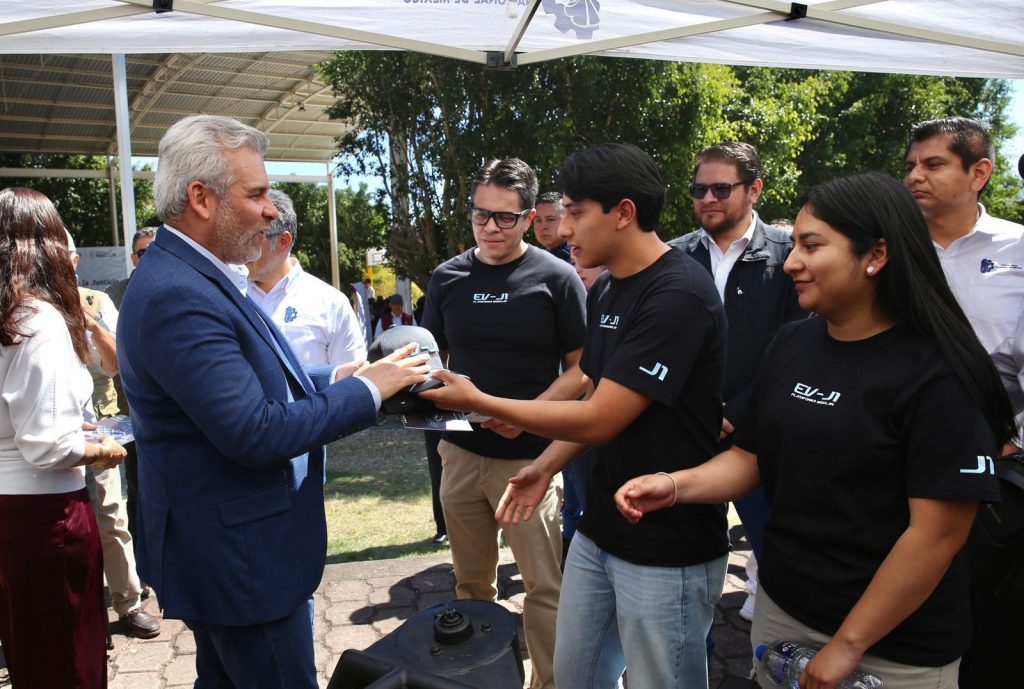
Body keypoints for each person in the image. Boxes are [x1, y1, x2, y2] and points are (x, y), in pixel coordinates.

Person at [614, 172, 1016, 689]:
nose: (790, 262)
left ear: (876, 255)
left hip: (890, 648)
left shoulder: (941, 375)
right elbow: (749, 458)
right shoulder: (792, 344)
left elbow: (937, 534)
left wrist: (848, 645)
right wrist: (673, 485)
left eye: (811, 245)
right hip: (783, 614)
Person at [116, 114, 429, 689]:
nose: (270, 211)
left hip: (231, 554)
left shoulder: (195, 275)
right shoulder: (178, 293)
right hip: (241, 563)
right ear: (201, 198)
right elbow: (254, 430)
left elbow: (240, 385)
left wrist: (336, 374)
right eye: (256, 193)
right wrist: (369, 390)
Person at [421, 143, 729, 689]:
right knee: (574, 675)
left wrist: (481, 402)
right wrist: (543, 467)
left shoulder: (677, 294)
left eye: (575, 212)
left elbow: (602, 419)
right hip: (602, 527)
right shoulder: (607, 286)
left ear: (624, 213)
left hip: (667, 542)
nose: (562, 229)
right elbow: (590, 391)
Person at [420, 157, 588, 689]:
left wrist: (523, 414)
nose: (490, 227)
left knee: (544, 588)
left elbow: (583, 369)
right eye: (481, 214)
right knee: (470, 587)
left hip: (530, 461)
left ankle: (550, 683)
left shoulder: (557, 277)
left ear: (529, 217)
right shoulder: (447, 277)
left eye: (505, 217)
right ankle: (481, 679)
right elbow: (429, 362)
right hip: (460, 455)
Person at [904, 116, 1024, 687]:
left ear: (979, 173)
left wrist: (1014, 447)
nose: (915, 176)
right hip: (899, 456)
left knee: (985, 616)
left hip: (995, 470)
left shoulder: (1018, 249)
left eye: (933, 164)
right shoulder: (891, 249)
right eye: (910, 165)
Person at [668, 142, 805, 619]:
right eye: (699, 189)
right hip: (687, 435)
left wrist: (738, 413)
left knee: (782, 566)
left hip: (764, 443)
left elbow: (797, 348)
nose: (708, 198)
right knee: (681, 570)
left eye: (721, 188)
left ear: (755, 189)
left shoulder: (791, 256)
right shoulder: (674, 257)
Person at [0, 186, 127, 689]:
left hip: (11, 513)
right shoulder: (39, 320)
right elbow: (47, 445)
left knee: (31, 653)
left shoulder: (10, 316)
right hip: (47, 517)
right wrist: (101, 449)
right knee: (68, 660)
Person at [71, 232, 161, 640]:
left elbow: (115, 363)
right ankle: (84, 615)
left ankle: (129, 604)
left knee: (111, 516)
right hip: (49, 435)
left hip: (102, 428)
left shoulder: (96, 300)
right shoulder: (23, 306)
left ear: (74, 260)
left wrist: (88, 323)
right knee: (69, 528)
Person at [247, 189, 367, 366]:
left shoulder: (332, 304)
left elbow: (352, 377)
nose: (243, 246)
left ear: (283, 242)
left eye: (253, 237)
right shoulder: (227, 294)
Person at [106, 227, 157, 309]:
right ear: (133, 258)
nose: (151, 258)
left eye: (157, 252)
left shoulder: (178, 293)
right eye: (143, 253)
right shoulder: (111, 296)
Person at [533, 190, 571, 261]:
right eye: (538, 220)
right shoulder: (536, 259)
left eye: (550, 219)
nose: (543, 227)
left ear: (567, 220)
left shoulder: (579, 259)